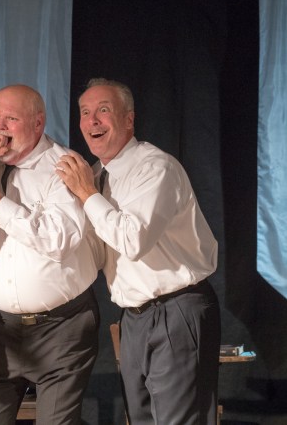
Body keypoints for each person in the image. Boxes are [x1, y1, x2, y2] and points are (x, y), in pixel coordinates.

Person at [57, 78, 221, 424]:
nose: (92, 120)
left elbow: (133, 242)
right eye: (85, 112)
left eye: (103, 110)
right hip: (133, 318)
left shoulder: (154, 167)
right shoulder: (96, 177)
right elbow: (96, 252)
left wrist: (86, 194)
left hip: (176, 310)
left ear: (128, 119)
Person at [0, 84, 100, 425]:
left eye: (10, 118)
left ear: (38, 123)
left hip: (61, 328)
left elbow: (60, 240)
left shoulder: (65, 166)